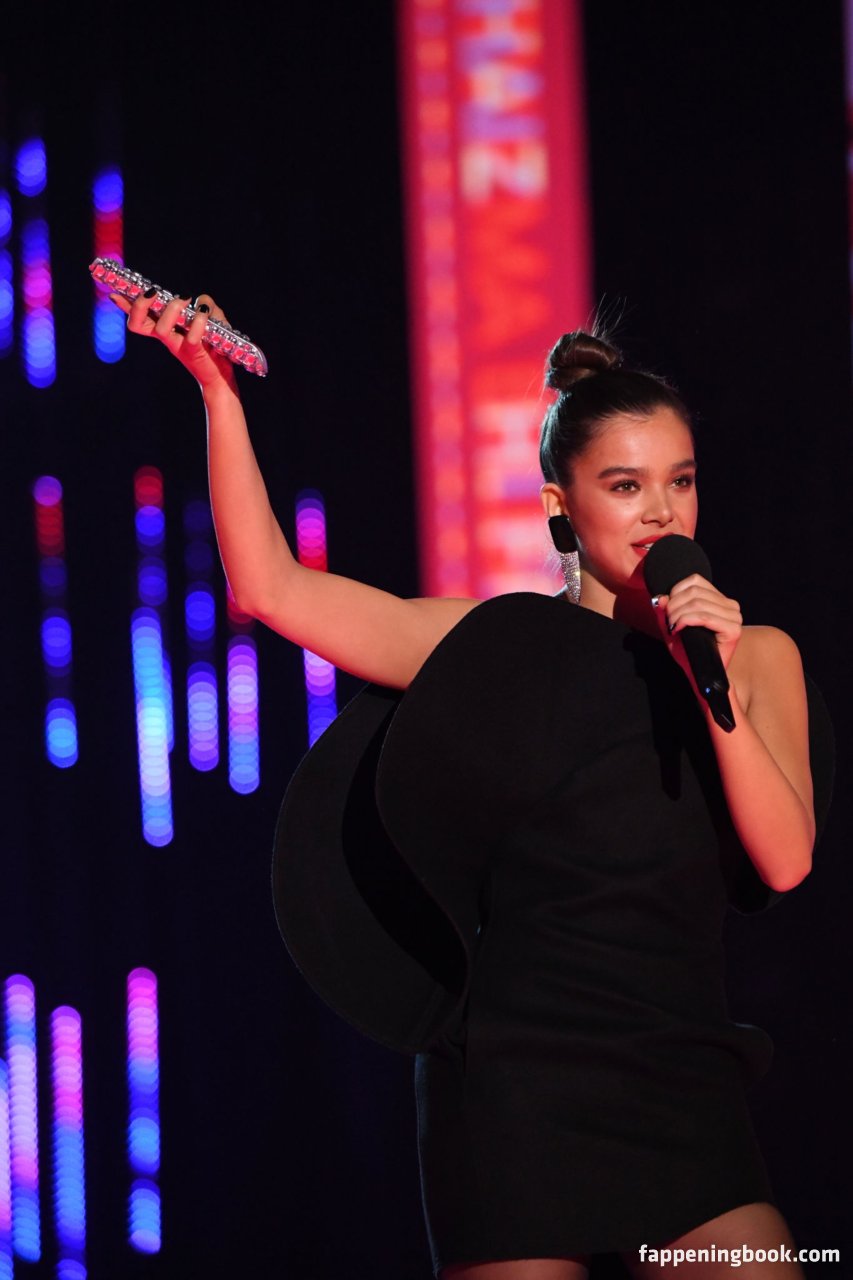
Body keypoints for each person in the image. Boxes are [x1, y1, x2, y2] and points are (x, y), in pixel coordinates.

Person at [112, 288, 830, 1279]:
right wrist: (217, 396)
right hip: (510, 1085)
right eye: (625, 485)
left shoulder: (752, 655)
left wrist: (703, 670)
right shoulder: (498, 643)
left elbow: (785, 860)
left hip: (678, 1073)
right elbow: (273, 588)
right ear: (560, 507)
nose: (662, 511)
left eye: (680, 480)